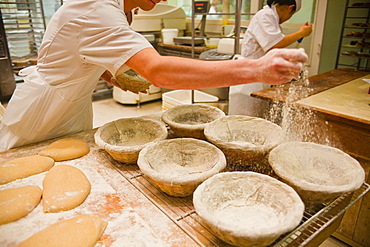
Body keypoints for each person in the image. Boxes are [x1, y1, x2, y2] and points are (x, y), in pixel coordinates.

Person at [0, 0, 307, 152]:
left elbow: (77, 53)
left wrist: (111, 74)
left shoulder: (105, 6)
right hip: (43, 115)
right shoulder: (98, 10)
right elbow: (158, 70)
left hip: (67, 105)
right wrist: (256, 68)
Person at [228, 0, 312, 117]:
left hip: (256, 77)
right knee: (243, 120)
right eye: (291, 15)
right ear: (289, 8)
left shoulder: (271, 18)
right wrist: (300, 33)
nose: (288, 18)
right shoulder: (265, 16)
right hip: (248, 79)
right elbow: (274, 44)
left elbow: (271, 50)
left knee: (254, 121)